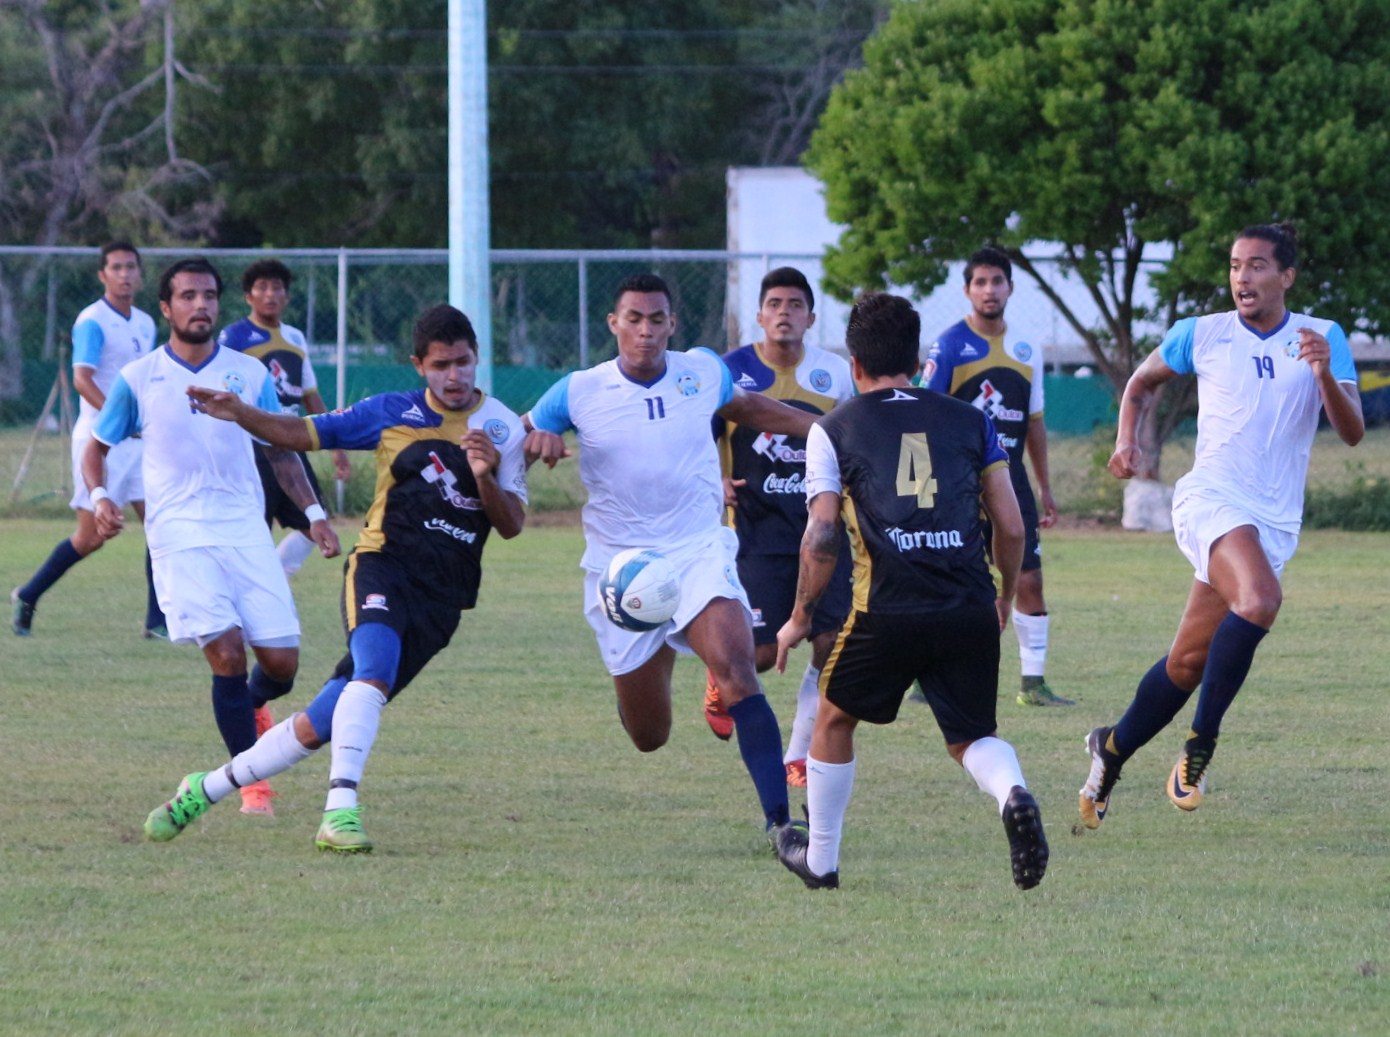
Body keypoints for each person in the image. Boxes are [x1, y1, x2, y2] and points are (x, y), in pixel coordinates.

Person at [142, 304, 527, 854]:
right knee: (371, 671)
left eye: (464, 363)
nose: (455, 376)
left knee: (318, 725)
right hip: (383, 566)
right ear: (419, 364)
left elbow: (510, 525)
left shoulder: (503, 427)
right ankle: (340, 811)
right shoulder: (392, 412)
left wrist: (487, 475)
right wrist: (242, 413)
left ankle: (201, 789)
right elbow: (302, 432)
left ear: (477, 358)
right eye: (441, 364)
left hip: (443, 599)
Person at [1079, 223, 1363, 828]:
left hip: (1273, 520)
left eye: (1258, 266)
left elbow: (1352, 429)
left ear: (1286, 276)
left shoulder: (1324, 338)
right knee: (1259, 600)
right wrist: (1127, 441)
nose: (1242, 277)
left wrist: (1321, 376)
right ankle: (1199, 747)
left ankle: (1110, 751)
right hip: (1210, 499)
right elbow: (1139, 385)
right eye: (1236, 266)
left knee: (1187, 662)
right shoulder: (1201, 333)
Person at [523, 273, 816, 845]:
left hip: (697, 550)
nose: (646, 331)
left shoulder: (702, 369)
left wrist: (827, 432)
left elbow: (750, 407)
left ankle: (782, 823)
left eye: (657, 320)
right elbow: (521, 444)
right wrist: (534, 444)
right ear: (614, 324)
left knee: (738, 673)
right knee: (648, 735)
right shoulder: (578, 390)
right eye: (633, 319)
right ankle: (652, 667)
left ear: (672, 325)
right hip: (622, 571)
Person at [773, 292, 1048, 892]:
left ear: (853, 363)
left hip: (886, 609)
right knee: (972, 735)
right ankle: (1013, 794)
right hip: (968, 602)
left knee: (833, 718)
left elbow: (821, 533)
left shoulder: (833, 428)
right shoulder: (970, 419)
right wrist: (1002, 595)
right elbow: (1012, 524)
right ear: (919, 357)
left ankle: (820, 859)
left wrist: (799, 616)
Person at [85, 257, 340, 817]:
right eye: (187, 296)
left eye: (207, 296)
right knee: (224, 652)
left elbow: (280, 447)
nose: (199, 305)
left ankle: (251, 711)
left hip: (244, 529)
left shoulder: (248, 375)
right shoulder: (140, 377)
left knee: (281, 665)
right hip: (178, 533)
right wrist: (102, 498)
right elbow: (97, 448)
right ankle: (251, 784)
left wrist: (314, 512)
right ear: (167, 307)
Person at [704, 267, 853, 788]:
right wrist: (715, 478)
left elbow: (852, 439)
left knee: (831, 641)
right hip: (757, 532)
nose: (784, 312)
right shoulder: (731, 371)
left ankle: (799, 755)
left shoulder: (834, 374)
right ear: (759, 316)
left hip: (824, 529)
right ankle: (719, 674)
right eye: (775, 303)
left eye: (795, 304)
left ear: (810, 317)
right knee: (762, 655)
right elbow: (696, 435)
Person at [924, 246, 1072, 706]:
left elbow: (1034, 421)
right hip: (957, 483)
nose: (990, 290)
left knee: (1029, 579)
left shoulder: (1027, 349)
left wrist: (1045, 486)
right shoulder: (949, 345)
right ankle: (925, 674)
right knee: (944, 577)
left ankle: (1033, 683)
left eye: (997, 281)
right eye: (980, 282)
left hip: (1010, 481)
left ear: (1010, 287)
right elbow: (923, 412)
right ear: (967, 290)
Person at [11, 242, 166, 639]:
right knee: (91, 537)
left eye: (131, 266)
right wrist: (119, 419)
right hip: (101, 441)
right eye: (116, 267)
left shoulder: (146, 322)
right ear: (103, 275)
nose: (125, 274)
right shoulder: (92, 320)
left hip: (137, 441)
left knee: (161, 525)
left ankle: (158, 620)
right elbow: (82, 378)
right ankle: (29, 594)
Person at [218, 258, 350, 579]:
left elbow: (309, 394)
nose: (270, 294)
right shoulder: (233, 338)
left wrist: (336, 445)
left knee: (314, 525)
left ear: (287, 296)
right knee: (253, 532)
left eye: (277, 287)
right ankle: (248, 592)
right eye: (261, 287)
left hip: (289, 441)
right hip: (252, 446)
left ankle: (271, 579)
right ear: (248, 296)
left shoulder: (295, 339)